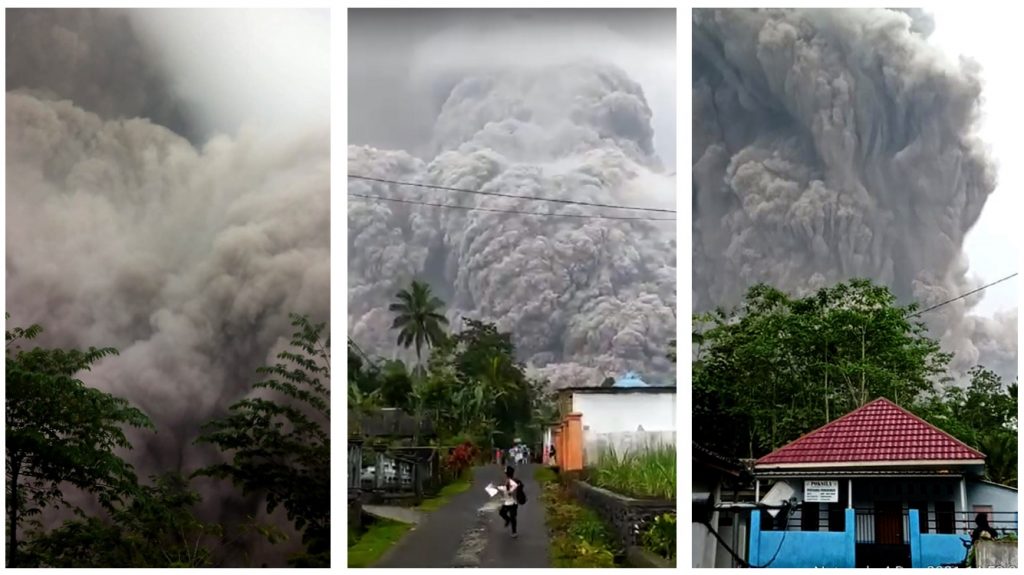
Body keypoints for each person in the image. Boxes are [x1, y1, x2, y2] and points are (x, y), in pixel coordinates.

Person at [496, 465, 520, 538]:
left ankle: (514, 532)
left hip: (513, 503)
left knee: (513, 517)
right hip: (507, 502)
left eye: (506, 473)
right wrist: (498, 488)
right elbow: (505, 488)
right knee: (502, 512)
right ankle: (508, 520)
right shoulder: (507, 481)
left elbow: (514, 488)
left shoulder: (513, 481)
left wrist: (509, 491)